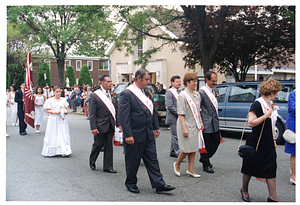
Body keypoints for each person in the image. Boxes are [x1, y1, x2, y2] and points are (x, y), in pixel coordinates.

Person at [119, 68, 175, 194]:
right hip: (134, 134)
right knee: (133, 161)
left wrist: (156, 126)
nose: (148, 82)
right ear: (138, 78)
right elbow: (124, 116)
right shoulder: (127, 94)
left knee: (153, 160)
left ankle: (159, 184)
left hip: (148, 133)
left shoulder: (146, 93)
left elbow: (152, 111)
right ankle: (131, 183)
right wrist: (128, 134)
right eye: (147, 79)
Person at [241, 79, 281, 202]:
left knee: (271, 167)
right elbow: (251, 123)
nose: (277, 95)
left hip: (268, 142)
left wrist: (274, 140)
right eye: (276, 92)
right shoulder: (257, 104)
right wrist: (265, 116)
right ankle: (244, 190)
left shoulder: (270, 104)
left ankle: (272, 196)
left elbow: (271, 125)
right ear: (272, 92)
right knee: (249, 167)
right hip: (256, 141)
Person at [89, 75, 122, 173]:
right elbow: (92, 113)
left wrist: (119, 124)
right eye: (107, 82)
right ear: (101, 82)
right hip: (100, 125)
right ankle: (92, 160)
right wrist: (93, 127)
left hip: (110, 124)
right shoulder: (95, 95)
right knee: (98, 144)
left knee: (109, 146)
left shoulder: (113, 95)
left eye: (111, 82)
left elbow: (116, 111)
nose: (110, 84)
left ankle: (108, 166)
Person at [173, 73, 204, 178]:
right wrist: (184, 128)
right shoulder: (182, 95)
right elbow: (180, 113)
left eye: (196, 81)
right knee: (186, 148)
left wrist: (200, 122)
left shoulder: (197, 95)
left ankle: (190, 169)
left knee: (194, 147)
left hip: (194, 122)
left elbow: (198, 110)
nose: (195, 83)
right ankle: (177, 163)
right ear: (187, 82)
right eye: (193, 81)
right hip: (185, 123)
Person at [198, 71, 220, 173]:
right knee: (206, 144)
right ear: (207, 80)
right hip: (206, 122)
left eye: (216, 81)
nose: (215, 83)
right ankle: (206, 164)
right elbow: (198, 108)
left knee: (216, 142)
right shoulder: (202, 92)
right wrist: (200, 121)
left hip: (214, 122)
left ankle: (204, 158)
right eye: (213, 81)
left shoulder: (214, 90)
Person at [41, 85, 71, 157]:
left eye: (59, 92)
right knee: (53, 133)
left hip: (61, 118)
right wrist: (56, 112)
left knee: (63, 133)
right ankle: (52, 150)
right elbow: (47, 110)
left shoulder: (63, 100)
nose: (58, 93)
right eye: (57, 92)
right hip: (53, 118)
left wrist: (66, 111)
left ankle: (63, 150)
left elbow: (67, 108)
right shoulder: (49, 100)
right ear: (54, 92)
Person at [165, 75, 181, 157]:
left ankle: (172, 151)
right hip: (173, 117)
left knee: (174, 135)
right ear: (172, 82)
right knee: (176, 136)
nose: (179, 83)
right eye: (177, 82)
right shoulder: (169, 92)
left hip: (178, 117)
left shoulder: (179, 92)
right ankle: (178, 152)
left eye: (180, 82)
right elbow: (170, 106)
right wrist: (179, 113)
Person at [284, 87, 296, 185]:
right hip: (294, 126)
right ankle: (294, 176)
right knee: (295, 151)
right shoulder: (293, 94)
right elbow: (293, 109)